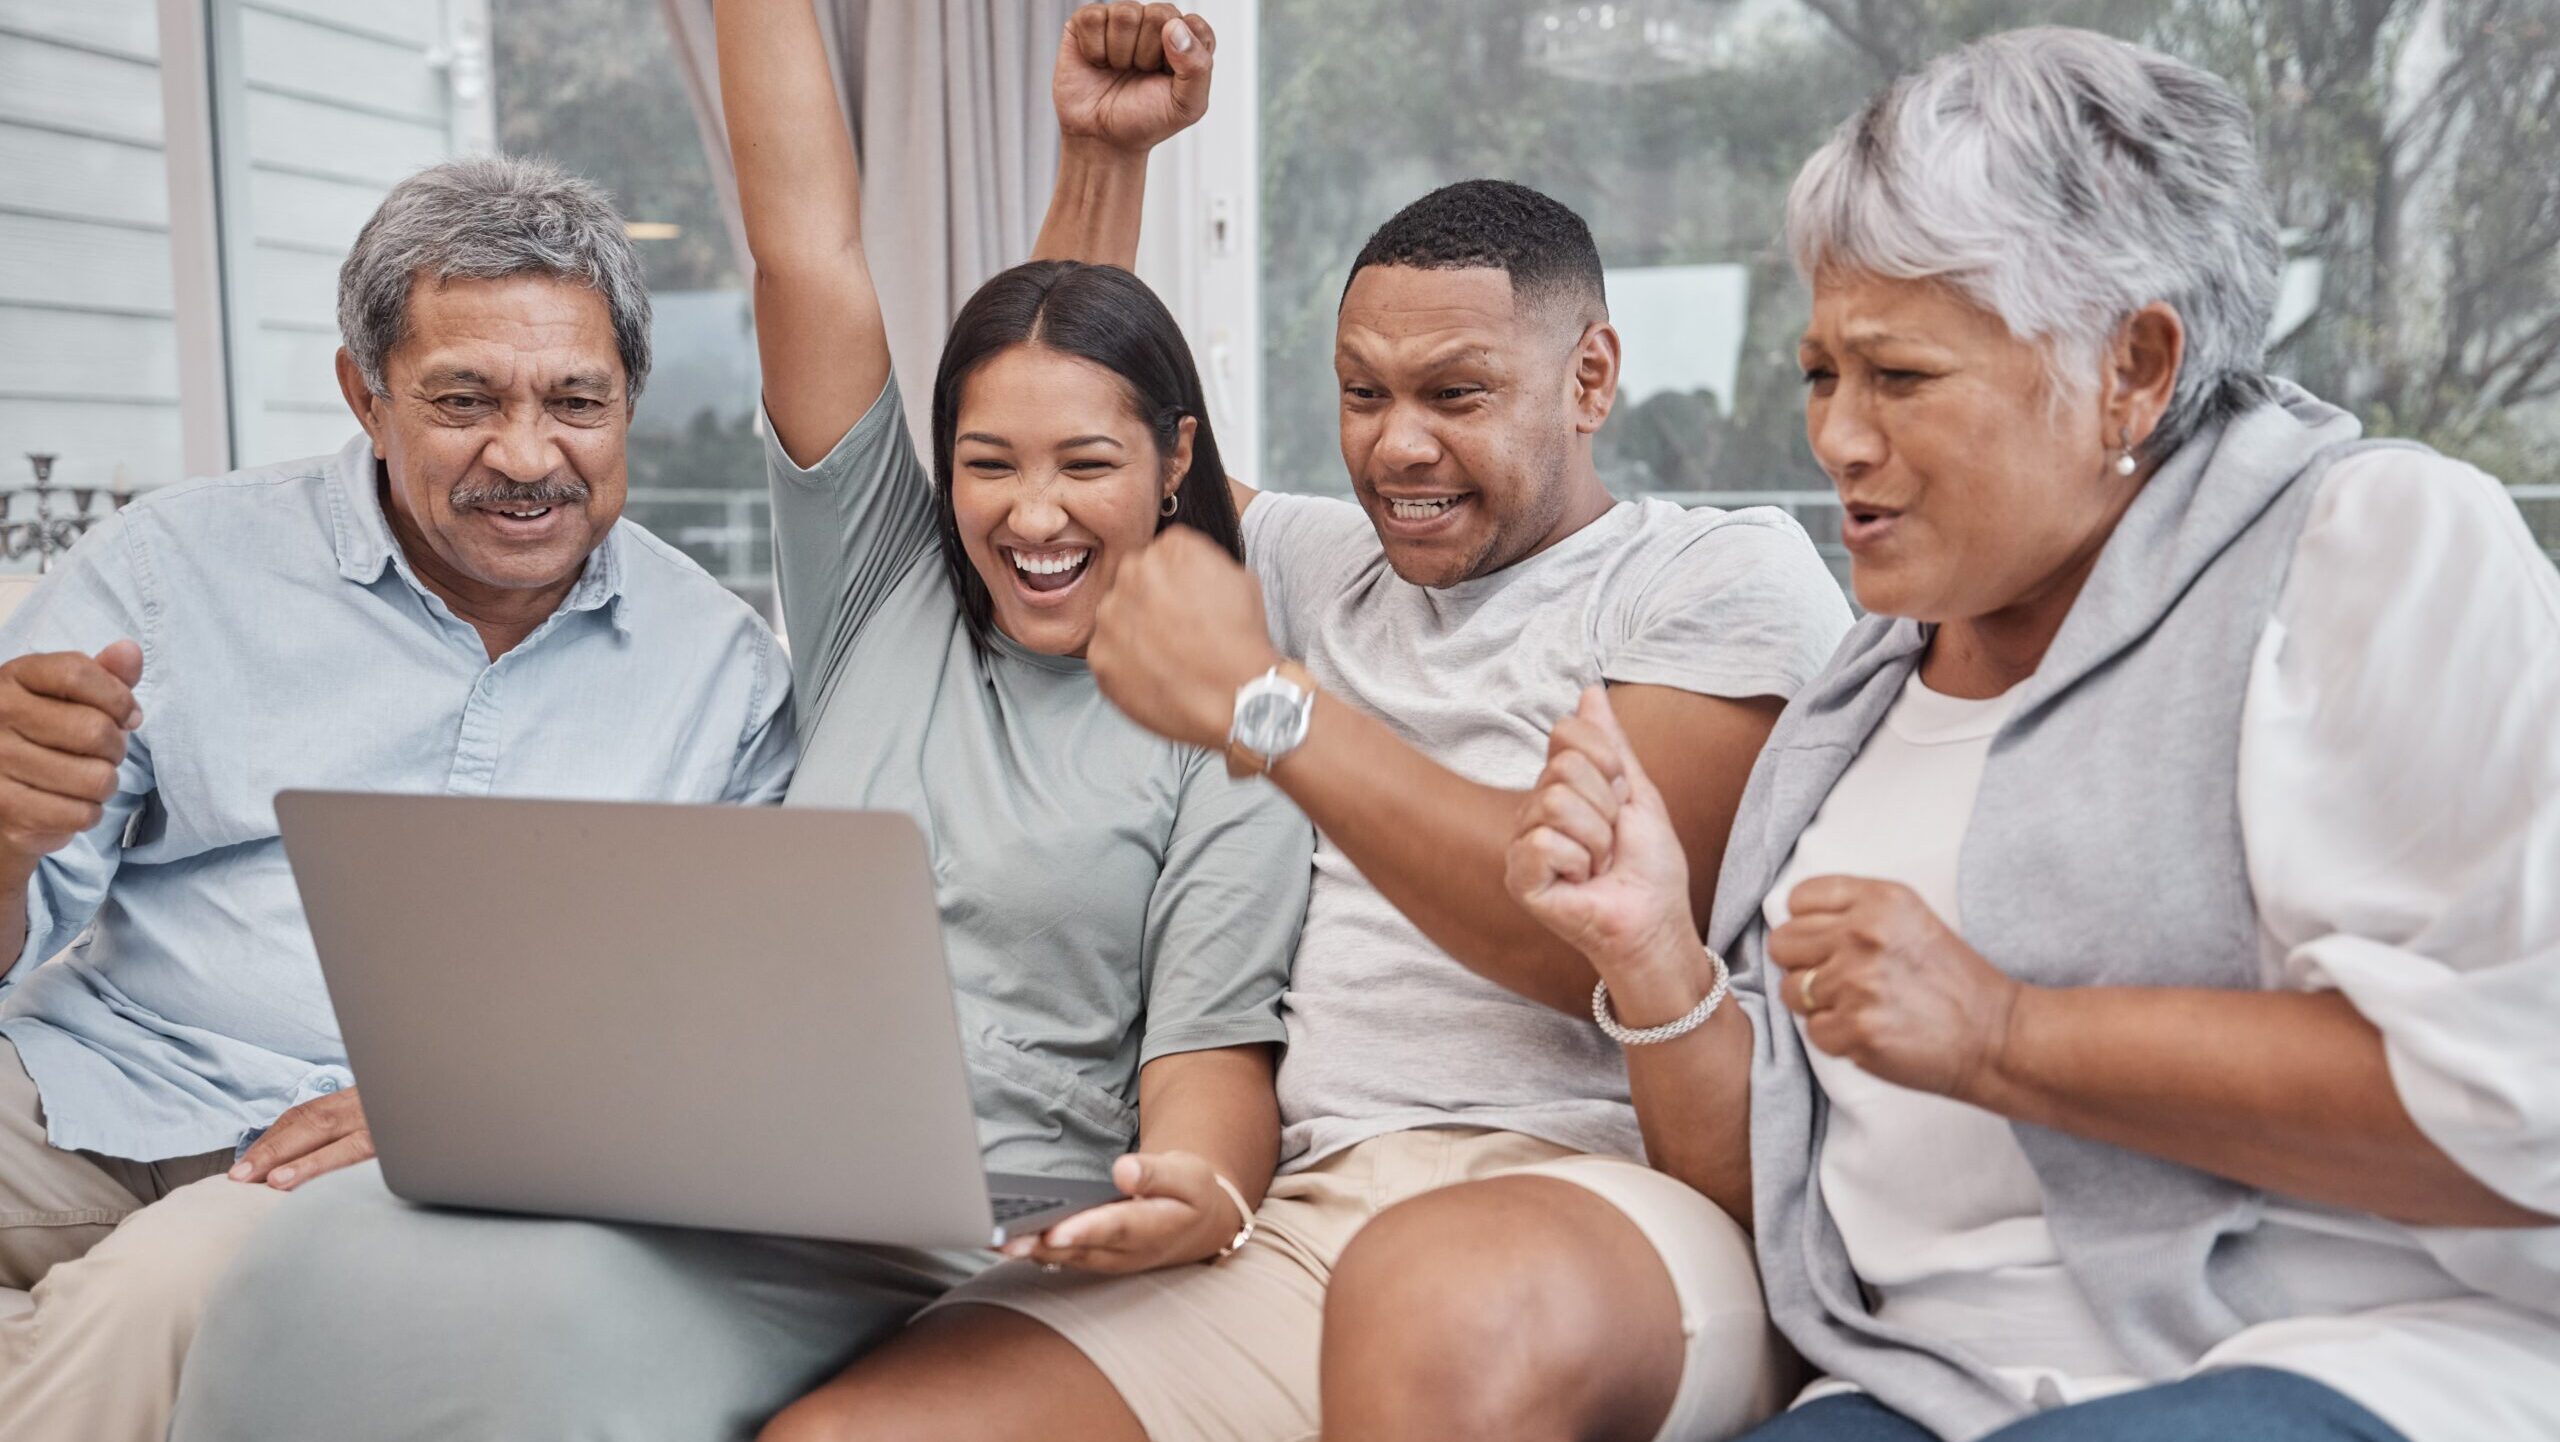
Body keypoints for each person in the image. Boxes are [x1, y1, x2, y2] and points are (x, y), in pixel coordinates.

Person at [167, 6, 1313, 1440]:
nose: (1032, 515)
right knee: (309, 1270)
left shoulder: (1245, 726)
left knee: (544, 1346)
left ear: (1173, 462)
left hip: (973, 1209)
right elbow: (805, 249)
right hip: (703, 1147)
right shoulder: (887, 586)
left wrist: (1189, 1199)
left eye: (1087, 463)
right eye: (985, 463)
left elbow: (1210, 1071)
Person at [747, 33, 1855, 1442]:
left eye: (1456, 394)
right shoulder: (1323, 564)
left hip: (1610, 1195)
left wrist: (1269, 706)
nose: (1398, 447)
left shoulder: (1709, 579)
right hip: (1314, 1209)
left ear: (1591, 379)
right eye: (1361, 392)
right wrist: (1104, 154)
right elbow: (1079, 430)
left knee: (1428, 1295)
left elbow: (1582, 937)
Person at [1491, 26, 2560, 1442]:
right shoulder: (1860, 690)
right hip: (1926, 1380)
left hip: (2347, 1358)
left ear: (2133, 365)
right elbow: (1774, 1199)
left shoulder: (2369, 546)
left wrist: (2009, 1034)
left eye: (1901, 376)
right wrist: (1652, 952)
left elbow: (2518, 1110)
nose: (1839, 438)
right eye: (1821, 373)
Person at [0, 155, 795, 1442]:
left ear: (629, 399)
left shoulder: (724, 674)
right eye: (463, 398)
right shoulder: (169, 568)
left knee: (147, 1301)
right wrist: (6, 839)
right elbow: (18, 917)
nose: (527, 454)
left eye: (577, 401)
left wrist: (470, 1107)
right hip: (92, 1070)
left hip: (372, 1159)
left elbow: (727, 1024)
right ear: (364, 397)